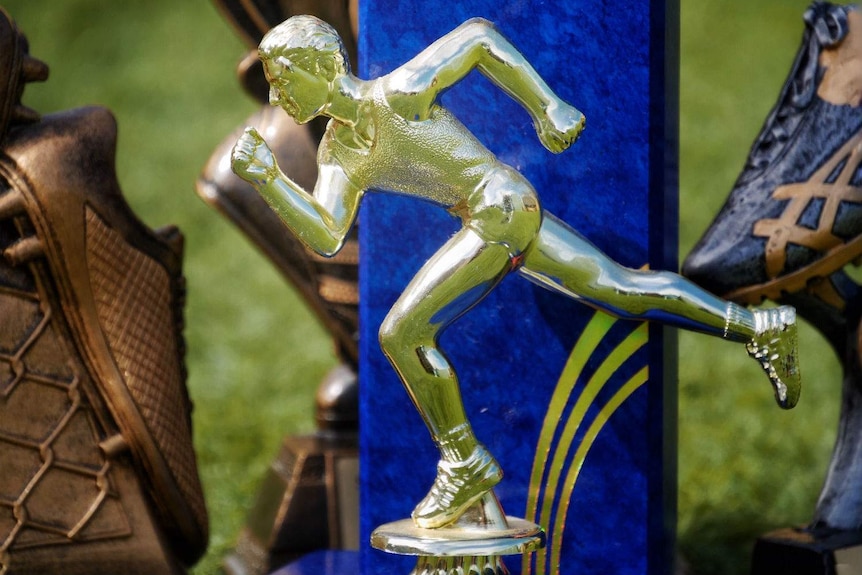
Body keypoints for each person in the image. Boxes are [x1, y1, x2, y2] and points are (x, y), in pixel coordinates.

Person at [231, 14, 801, 530]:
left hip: (497, 206)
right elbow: (328, 234)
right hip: (497, 215)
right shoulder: (339, 153)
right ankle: (758, 328)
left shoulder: (396, 94)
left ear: (323, 67)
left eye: (283, 81)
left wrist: (546, 106)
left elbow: (477, 39)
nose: (277, 97)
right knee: (621, 289)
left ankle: (464, 460)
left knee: (401, 332)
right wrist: (270, 181)